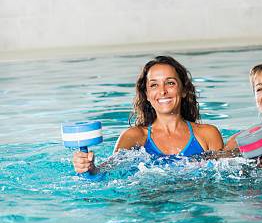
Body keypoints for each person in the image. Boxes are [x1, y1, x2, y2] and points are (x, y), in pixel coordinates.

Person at [72, 56, 224, 174]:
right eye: (154, 85)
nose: (163, 91)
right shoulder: (134, 137)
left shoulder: (207, 134)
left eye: (170, 83)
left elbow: (224, 176)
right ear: (147, 94)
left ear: (183, 90)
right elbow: (107, 173)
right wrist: (89, 167)